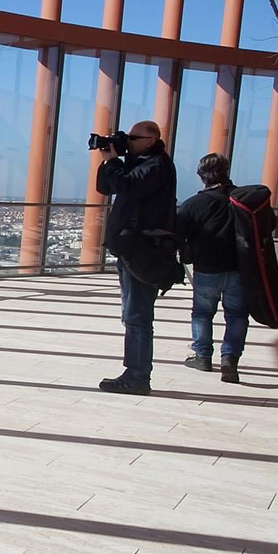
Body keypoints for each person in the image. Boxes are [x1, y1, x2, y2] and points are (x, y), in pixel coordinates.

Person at [94, 119, 175, 395]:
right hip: (131, 250)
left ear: (150, 140)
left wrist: (114, 162)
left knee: (137, 315)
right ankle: (135, 372)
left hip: (143, 251)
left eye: (132, 138)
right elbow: (106, 188)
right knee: (132, 315)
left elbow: (127, 188)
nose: (127, 142)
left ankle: (138, 376)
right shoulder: (140, 164)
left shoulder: (156, 166)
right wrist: (108, 161)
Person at [175, 152, 248, 384]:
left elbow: (178, 234)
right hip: (240, 266)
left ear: (201, 176)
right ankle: (230, 359)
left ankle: (203, 356)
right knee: (236, 315)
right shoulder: (243, 199)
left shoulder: (193, 204)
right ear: (226, 171)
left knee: (203, 313)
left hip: (207, 267)